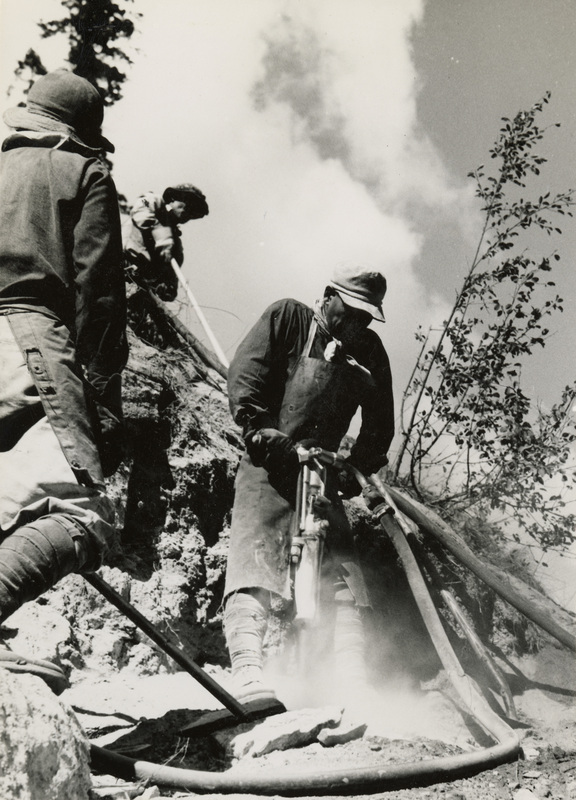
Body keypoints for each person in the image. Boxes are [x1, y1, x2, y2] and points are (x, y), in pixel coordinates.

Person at [0, 69, 128, 687]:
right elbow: (98, 299)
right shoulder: (83, 171)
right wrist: (102, 405)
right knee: (81, 515)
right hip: (31, 338)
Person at [224, 264, 394, 701]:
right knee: (255, 560)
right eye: (351, 312)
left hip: (322, 476)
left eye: (366, 317)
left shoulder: (370, 351)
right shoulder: (289, 319)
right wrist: (268, 436)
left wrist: (351, 469)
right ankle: (247, 673)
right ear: (328, 296)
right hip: (270, 462)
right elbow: (247, 380)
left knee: (343, 579)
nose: (358, 323)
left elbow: (380, 425)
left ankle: (352, 683)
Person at [123, 183, 209, 301]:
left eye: (193, 211)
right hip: (118, 262)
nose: (188, 211)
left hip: (135, 286)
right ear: (173, 198)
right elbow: (142, 216)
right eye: (187, 202)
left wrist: (168, 287)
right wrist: (163, 238)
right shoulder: (154, 201)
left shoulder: (175, 247)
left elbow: (170, 276)